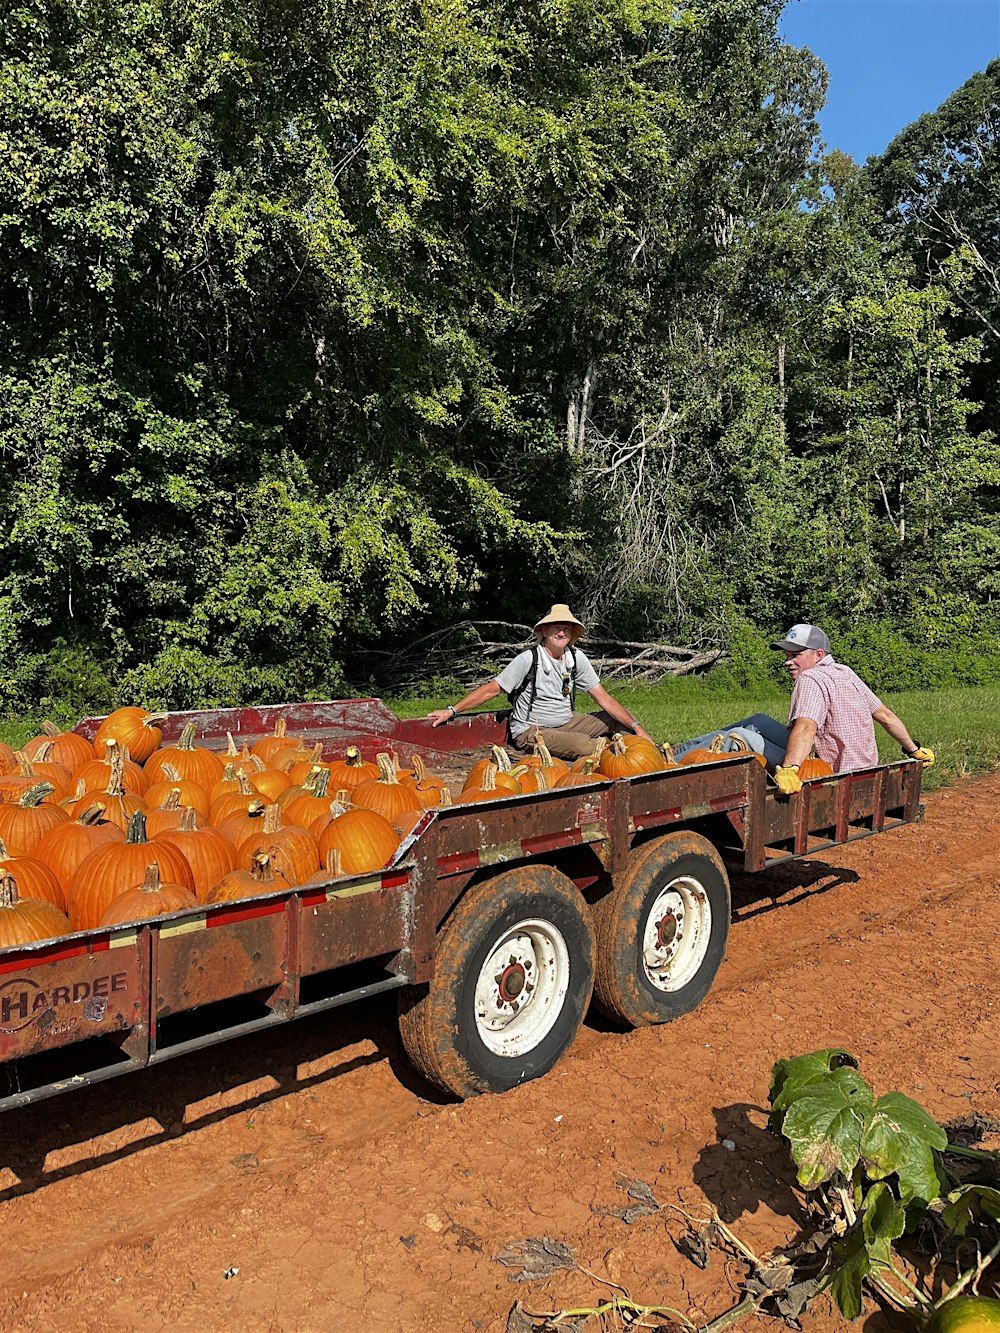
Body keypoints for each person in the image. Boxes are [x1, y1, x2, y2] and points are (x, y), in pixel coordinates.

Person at [673, 623, 934, 793]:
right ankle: (681, 752)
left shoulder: (810, 678)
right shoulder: (845, 672)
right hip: (861, 768)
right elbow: (885, 716)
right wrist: (914, 749)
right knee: (759, 721)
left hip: (828, 772)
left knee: (741, 737)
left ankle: (674, 767)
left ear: (818, 655)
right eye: (787, 655)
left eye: (795, 655)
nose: (788, 662)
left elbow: (807, 727)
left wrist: (790, 770)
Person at [427, 604, 655, 759]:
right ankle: (620, 754)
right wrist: (452, 710)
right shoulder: (529, 659)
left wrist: (638, 728)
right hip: (531, 730)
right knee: (582, 744)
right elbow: (491, 690)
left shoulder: (575, 658)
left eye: (567, 627)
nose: (562, 631)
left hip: (566, 720)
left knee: (618, 722)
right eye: (557, 626)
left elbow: (603, 698)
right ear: (544, 631)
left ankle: (638, 752)